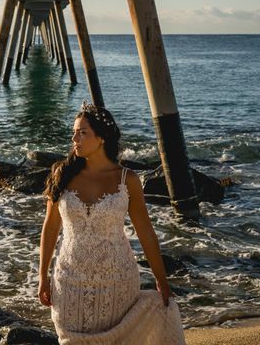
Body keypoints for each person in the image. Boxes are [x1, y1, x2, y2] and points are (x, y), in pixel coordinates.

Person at [38, 102, 186, 344]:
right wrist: (42, 275)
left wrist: (161, 279)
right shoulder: (61, 175)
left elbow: (146, 232)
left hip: (117, 281)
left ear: (102, 138)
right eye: (74, 132)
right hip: (68, 280)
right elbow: (51, 227)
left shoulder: (128, 180)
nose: (74, 138)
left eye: (82, 132)